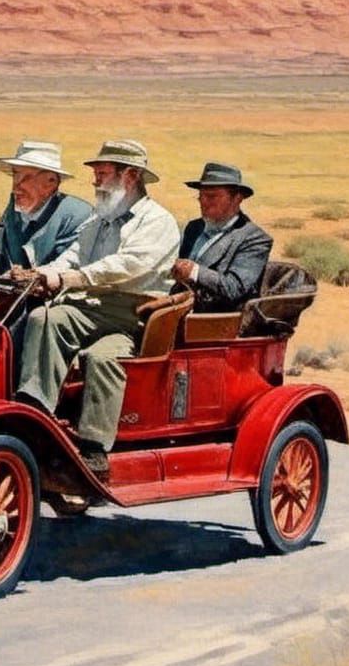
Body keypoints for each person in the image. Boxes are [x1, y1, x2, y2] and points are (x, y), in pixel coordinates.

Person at [14, 139, 180, 478]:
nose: (95, 182)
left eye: (102, 174)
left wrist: (70, 279)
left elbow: (127, 265)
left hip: (133, 316)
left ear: (130, 176)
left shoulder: (157, 221)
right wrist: (41, 275)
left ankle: (94, 449)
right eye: (96, 174)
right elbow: (72, 256)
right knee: (45, 316)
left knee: (103, 358)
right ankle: (35, 413)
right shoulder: (98, 219)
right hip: (90, 307)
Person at [0, 140, 91, 276]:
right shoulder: (14, 212)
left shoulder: (77, 216)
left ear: (51, 182)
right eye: (15, 175)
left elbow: (67, 271)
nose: (16, 186)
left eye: (27, 178)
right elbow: (2, 266)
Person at [171, 162, 272, 312]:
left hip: (217, 322)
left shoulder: (254, 239)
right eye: (201, 196)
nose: (203, 202)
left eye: (212, 197)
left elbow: (235, 288)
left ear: (237, 198)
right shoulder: (194, 228)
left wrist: (195, 271)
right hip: (178, 310)